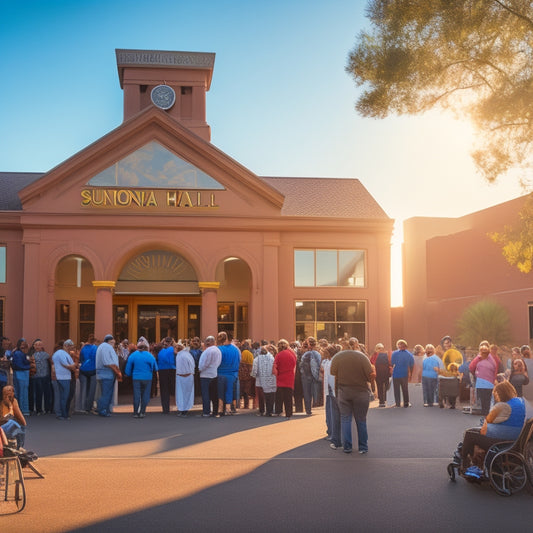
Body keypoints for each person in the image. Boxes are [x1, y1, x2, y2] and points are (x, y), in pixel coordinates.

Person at [459, 381, 526, 468]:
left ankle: (465, 462)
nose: (495, 396)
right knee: (473, 432)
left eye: (496, 394)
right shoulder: (521, 402)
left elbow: (488, 421)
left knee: (469, 435)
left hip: (501, 440)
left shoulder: (501, 406)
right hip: (517, 438)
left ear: (500, 393)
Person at [330, 343, 374, 454]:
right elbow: (370, 374)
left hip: (344, 391)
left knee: (345, 419)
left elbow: (332, 372)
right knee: (361, 420)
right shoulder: (362, 357)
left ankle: (347, 446)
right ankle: (363, 447)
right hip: (360, 391)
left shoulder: (338, 357)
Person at [125, 337, 158, 418]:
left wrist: (128, 374)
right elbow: (156, 368)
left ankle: (136, 412)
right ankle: (142, 412)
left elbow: (128, 368)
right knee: (145, 395)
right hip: (147, 378)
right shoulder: (150, 356)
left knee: (137, 395)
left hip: (136, 377)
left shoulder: (133, 355)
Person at [95, 334, 122, 417]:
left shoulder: (101, 347)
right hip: (107, 374)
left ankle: (104, 409)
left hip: (101, 373)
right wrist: (117, 371)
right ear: (109, 341)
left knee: (104, 393)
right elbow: (107, 362)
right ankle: (103, 410)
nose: (113, 344)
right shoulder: (107, 347)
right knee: (106, 393)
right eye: (112, 342)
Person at [469, 340, 498, 417]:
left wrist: (494, 379)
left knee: (487, 401)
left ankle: (486, 417)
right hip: (480, 383)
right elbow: (471, 367)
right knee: (482, 401)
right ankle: (484, 417)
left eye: (485, 346)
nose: (484, 348)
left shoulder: (492, 358)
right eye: (482, 347)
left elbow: (495, 369)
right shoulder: (478, 358)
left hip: (489, 383)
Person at [216, 332, 241, 417]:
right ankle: (229, 408)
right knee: (229, 391)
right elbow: (238, 361)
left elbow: (217, 362)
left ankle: (220, 409)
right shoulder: (236, 350)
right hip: (233, 373)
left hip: (221, 372)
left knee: (220, 392)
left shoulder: (219, 349)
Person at [52, 339, 77, 420]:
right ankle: (64, 414)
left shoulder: (57, 353)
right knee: (64, 397)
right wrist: (75, 366)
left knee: (61, 396)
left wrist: (73, 366)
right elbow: (68, 365)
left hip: (59, 377)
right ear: (66, 346)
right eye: (71, 347)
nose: (71, 349)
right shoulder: (62, 354)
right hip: (64, 377)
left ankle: (61, 413)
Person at [198, 336, 222, 417]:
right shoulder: (218, 350)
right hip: (214, 373)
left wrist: (200, 369)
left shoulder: (208, 351)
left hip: (205, 375)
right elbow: (218, 363)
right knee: (214, 394)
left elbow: (205, 363)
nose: (206, 343)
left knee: (206, 394)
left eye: (207, 342)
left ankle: (206, 412)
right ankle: (215, 411)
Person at [273, 339, 297, 419]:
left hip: (280, 377)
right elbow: (295, 364)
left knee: (279, 396)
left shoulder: (278, 355)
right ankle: (289, 413)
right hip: (290, 376)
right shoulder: (292, 354)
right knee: (288, 397)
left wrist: (276, 374)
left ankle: (278, 411)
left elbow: (275, 368)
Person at [251, 346, 276, 416]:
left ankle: (261, 410)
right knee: (270, 395)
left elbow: (254, 371)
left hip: (259, 381)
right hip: (271, 379)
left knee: (261, 397)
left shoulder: (256, 359)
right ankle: (270, 410)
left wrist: (253, 375)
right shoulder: (271, 358)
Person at [0, 385, 27, 449]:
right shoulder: (10, 402)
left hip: (3, 427)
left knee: (18, 425)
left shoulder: (7, 402)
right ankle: (19, 447)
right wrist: (10, 406)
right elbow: (16, 417)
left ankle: (18, 446)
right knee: (17, 425)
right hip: (4, 427)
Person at [300, 337, 322, 416]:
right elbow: (319, 365)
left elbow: (301, 365)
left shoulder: (305, 354)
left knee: (307, 393)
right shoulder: (317, 353)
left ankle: (308, 409)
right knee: (315, 391)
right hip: (314, 375)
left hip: (306, 376)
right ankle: (314, 405)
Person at [391, 340, 414, 407]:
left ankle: (397, 403)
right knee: (405, 389)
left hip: (396, 374)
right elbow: (411, 365)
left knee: (396, 389)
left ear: (398, 346)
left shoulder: (394, 353)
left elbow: (392, 363)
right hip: (404, 374)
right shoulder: (409, 354)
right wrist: (411, 374)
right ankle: (406, 403)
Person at [31, 339, 52, 415]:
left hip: (45, 375)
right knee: (38, 393)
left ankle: (47, 409)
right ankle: (38, 409)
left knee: (47, 393)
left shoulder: (46, 354)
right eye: (36, 345)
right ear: (34, 346)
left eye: (39, 345)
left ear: (42, 346)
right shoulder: (32, 355)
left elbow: (51, 362)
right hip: (36, 376)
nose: (38, 346)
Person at [11, 338, 31, 416]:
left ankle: (22, 409)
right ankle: (22, 409)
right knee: (22, 392)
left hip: (22, 373)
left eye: (25, 344)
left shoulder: (22, 353)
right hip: (21, 373)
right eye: (22, 344)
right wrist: (29, 366)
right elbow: (20, 365)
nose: (24, 345)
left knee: (22, 392)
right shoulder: (18, 353)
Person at [157, 337, 176, 414]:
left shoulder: (161, 351)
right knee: (173, 389)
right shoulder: (172, 350)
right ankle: (177, 406)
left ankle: (165, 408)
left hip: (162, 371)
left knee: (164, 390)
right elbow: (173, 361)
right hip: (171, 370)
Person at [175, 344, 195, 417]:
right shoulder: (187, 354)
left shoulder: (180, 355)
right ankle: (185, 409)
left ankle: (182, 409)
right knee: (187, 393)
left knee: (181, 394)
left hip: (181, 376)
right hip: (188, 376)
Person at [79, 336, 97, 413]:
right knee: (92, 390)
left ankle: (82, 406)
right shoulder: (96, 348)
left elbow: (81, 359)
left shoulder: (83, 348)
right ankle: (88, 407)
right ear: (94, 341)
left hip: (83, 370)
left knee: (84, 389)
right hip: (93, 370)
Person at [239, 342, 254, 409]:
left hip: (242, 377)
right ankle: (246, 405)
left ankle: (240, 405)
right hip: (249, 377)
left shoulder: (242, 354)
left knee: (241, 391)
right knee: (247, 392)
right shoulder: (250, 354)